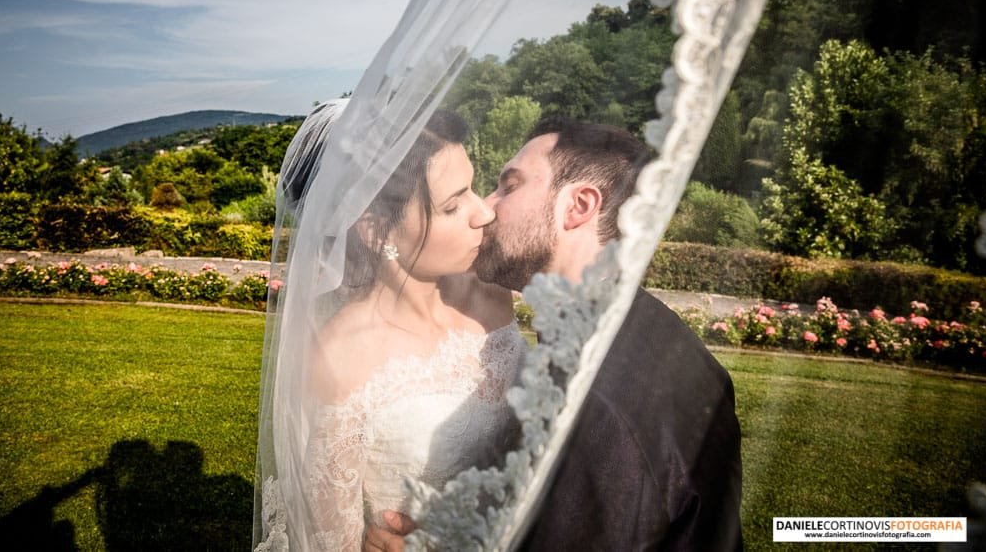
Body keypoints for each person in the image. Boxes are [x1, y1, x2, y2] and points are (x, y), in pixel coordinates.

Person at [366, 116, 743, 551]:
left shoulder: (590, 405)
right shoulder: (648, 331)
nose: (486, 208)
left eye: (509, 186)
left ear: (579, 206)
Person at [265, 104, 528, 551]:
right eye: (451, 204)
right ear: (375, 232)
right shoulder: (343, 360)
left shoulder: (491, 293)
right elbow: (332, 543)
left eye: (472, 187)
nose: (482, 213)